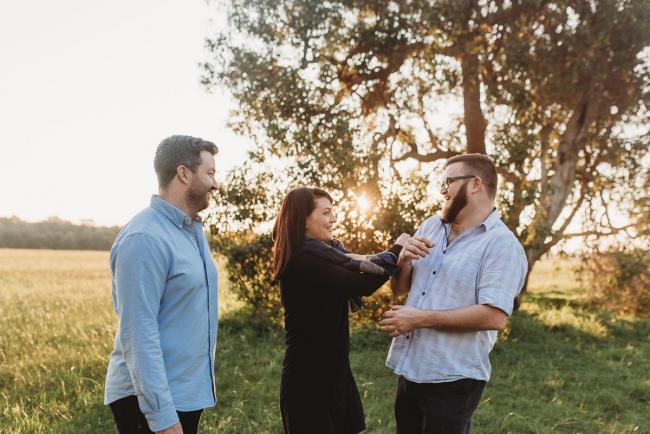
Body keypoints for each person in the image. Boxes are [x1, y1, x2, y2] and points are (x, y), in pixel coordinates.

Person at [379, 153, 528, 434]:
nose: (442, 190)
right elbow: (401, 290)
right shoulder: (430, 226)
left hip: (453, 377)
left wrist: (418, 319)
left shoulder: (502, 246)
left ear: (475, 184)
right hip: (410, 367)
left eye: (448, 182)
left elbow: (493, 317)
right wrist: (403, 261)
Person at [104, 135, 220, 434]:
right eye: (210, 173)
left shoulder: (191, 231)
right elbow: (138, 336)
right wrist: (164, 419)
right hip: (148, 402)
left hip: (182, 394)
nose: (216, 184)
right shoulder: (144, 239)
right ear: (184, 174)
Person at [272, 186, 408, 434]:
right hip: (308, 380)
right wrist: (398, 249)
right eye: (326, 213)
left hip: (335, 371)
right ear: (303, 220)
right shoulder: (304, 258)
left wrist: (393, 254)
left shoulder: (328, 253)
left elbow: (360, 262)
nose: (334, 218)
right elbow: (362, 281)